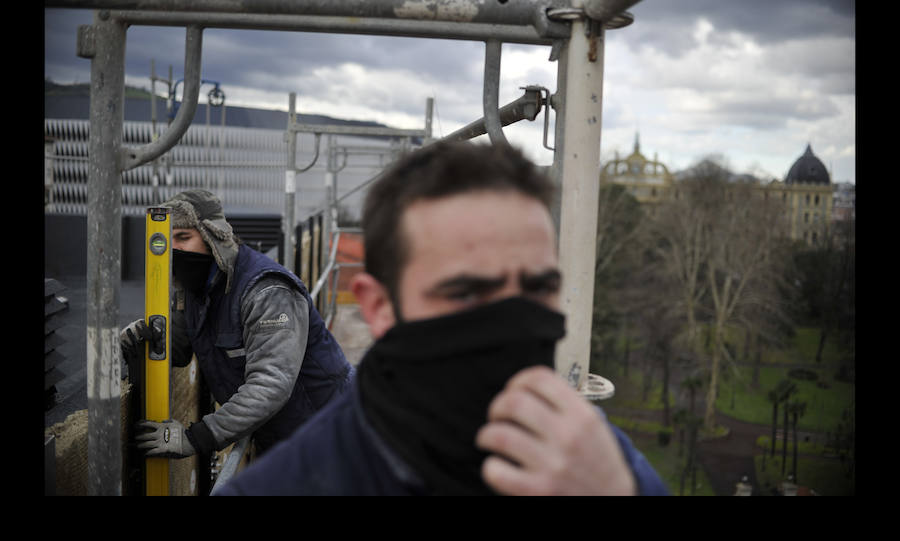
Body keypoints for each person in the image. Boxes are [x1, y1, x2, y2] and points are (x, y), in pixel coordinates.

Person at [214, 141, 669, 495]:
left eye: (538, 288)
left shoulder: (596, 458)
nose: (513, 320)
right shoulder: (289, 486)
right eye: (467, 291)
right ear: (378, 307)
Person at [119, 189, 354, 462]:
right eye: (166, 240)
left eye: (183, 237)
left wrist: (196, 438)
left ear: (213, 237)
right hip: (283, 436)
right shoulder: (195, 289)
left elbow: (270, 384)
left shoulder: (267, 291)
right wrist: (146, 337)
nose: (174, 249)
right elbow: (181, 345)